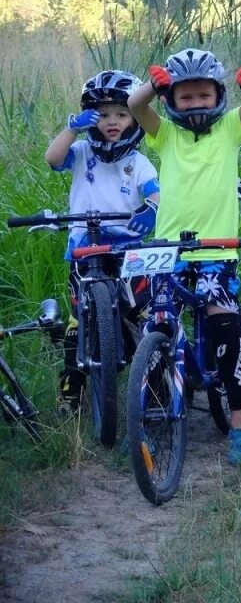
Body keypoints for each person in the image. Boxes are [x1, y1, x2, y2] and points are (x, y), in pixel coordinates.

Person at [128, 48, 241, 465]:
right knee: (157, 329)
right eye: (185, 97)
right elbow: (135, 106)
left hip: (216, 250)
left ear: (219, 96)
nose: (195, 104)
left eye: (204, 96)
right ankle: (151, 417)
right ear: (170, 100)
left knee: (227, 328)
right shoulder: (165, 135)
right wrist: (151, 86)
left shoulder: (230, 128)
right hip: (168, 251)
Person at [44, 70, 160, 413]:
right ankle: (71, 395)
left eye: (122, 114)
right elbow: (52, 159)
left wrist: (149, 210)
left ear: (134, 117)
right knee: (78, 319)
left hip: (127, 246)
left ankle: (157, 386)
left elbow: (156, 196)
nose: (113, 121)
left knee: (144, 312)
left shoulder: (138, 162)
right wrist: (71, 127)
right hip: (85, 244)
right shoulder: (80, 152)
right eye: (104, 114)